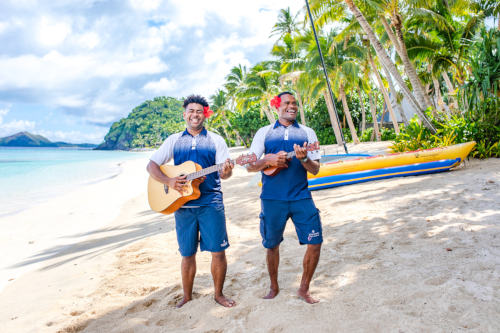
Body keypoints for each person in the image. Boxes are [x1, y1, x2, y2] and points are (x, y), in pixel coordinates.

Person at [146, 94, 236, 308]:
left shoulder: (216, 140)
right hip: (183, 205)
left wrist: (227, 171)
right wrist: (169, 180)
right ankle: (187, 296)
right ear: (185, 114)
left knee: (218, 251)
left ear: (204, 115)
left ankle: (218, 294)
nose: (195, 115)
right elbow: (151, 166)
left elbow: (224, 174)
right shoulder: (174, 140)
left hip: (211, 203)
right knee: (187, 254)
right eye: (191, 111)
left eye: (199, 111)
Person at [246, 91, 323, 304]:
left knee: (315, 242)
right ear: (276, 106)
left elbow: (315, 169)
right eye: (287, 103)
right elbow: (250, 166)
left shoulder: (308, 133)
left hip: (301, 196)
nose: (292, 106)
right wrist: (268, 160)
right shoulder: (264, 132)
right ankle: (273, 287)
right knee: (271, 245)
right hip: (271, 199)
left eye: (294, 103)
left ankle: (304, 289)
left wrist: (305, 158)